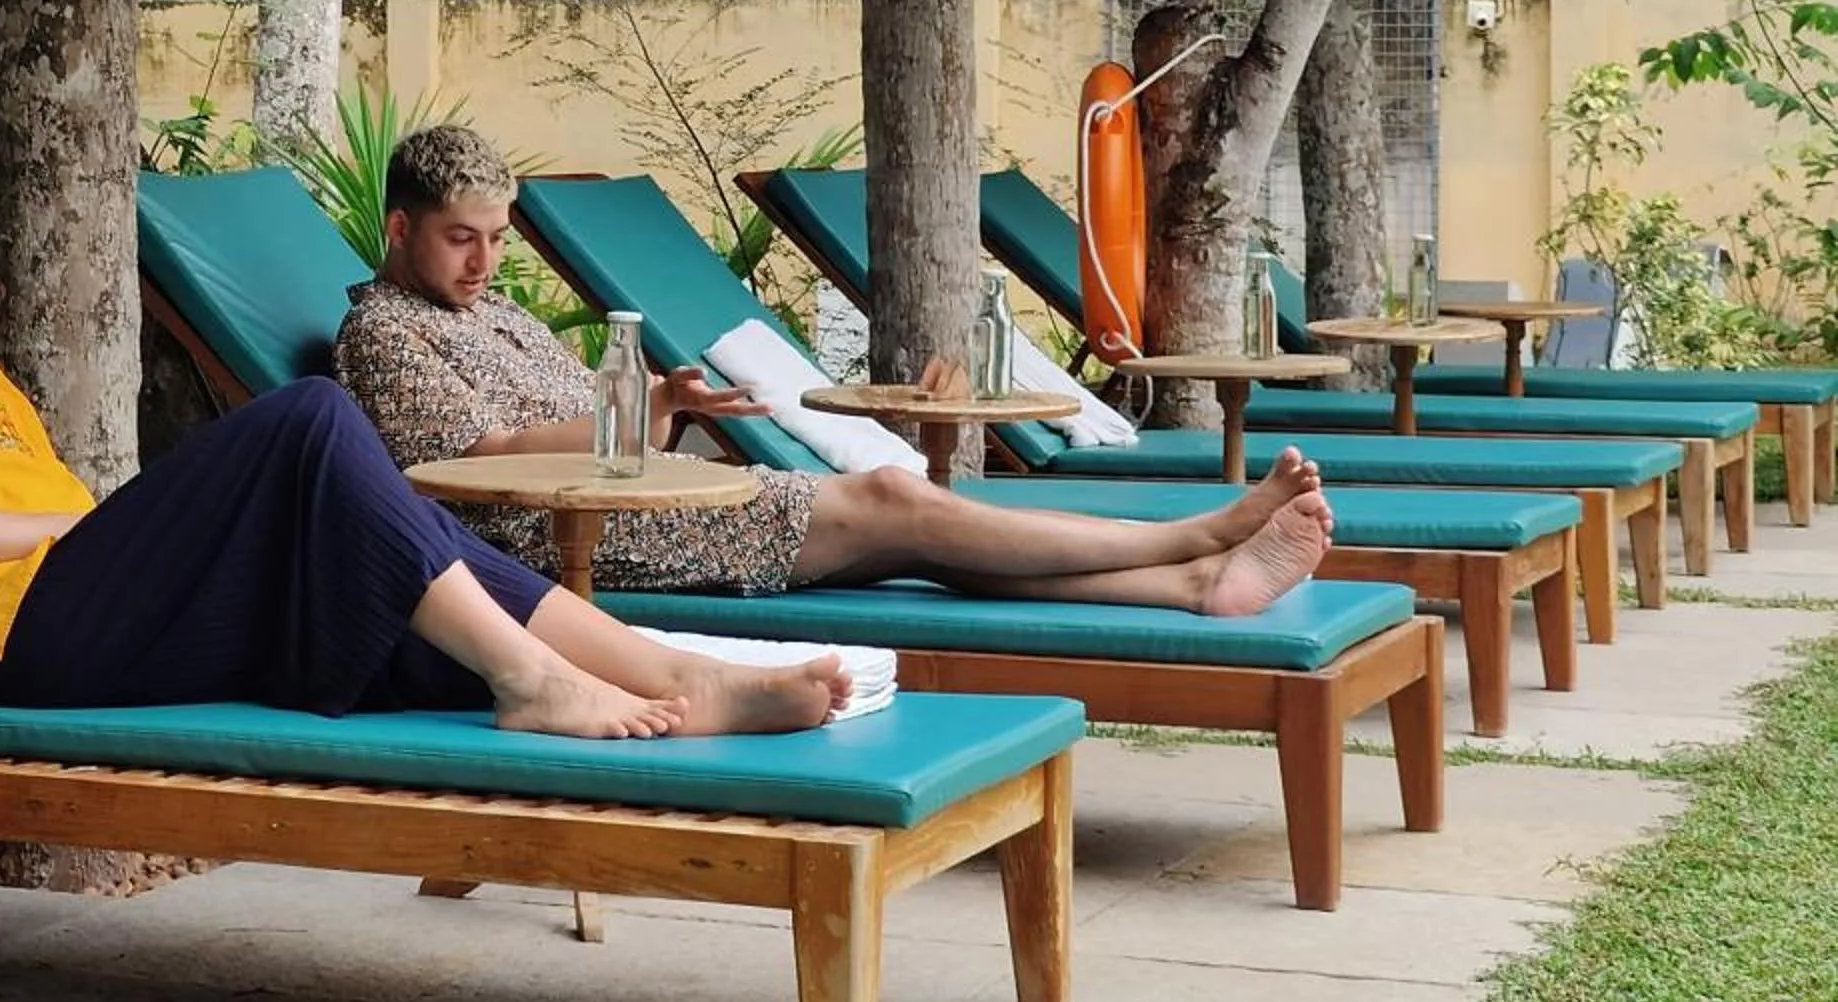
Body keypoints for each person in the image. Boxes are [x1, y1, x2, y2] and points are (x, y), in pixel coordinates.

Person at [0, 98, 856, 745]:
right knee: (312, 419)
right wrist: (69, 529)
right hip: (3, 636)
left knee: (386, 564)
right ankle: (537, 681)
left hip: (77, 591)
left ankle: (669, 676)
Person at [333, 127, 1334, 614]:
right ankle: (1193, 535)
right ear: (401, 229)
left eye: (499, 238)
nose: (485, 261)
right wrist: (649, 408)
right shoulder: (386, 333)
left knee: (926, 542)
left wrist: (660, 412)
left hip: (651, 504)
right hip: (573, 541)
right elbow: (481, 461)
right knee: (899, 498)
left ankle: (1196, 581)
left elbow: (592, 430)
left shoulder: (495, 311)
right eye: (462, 239)